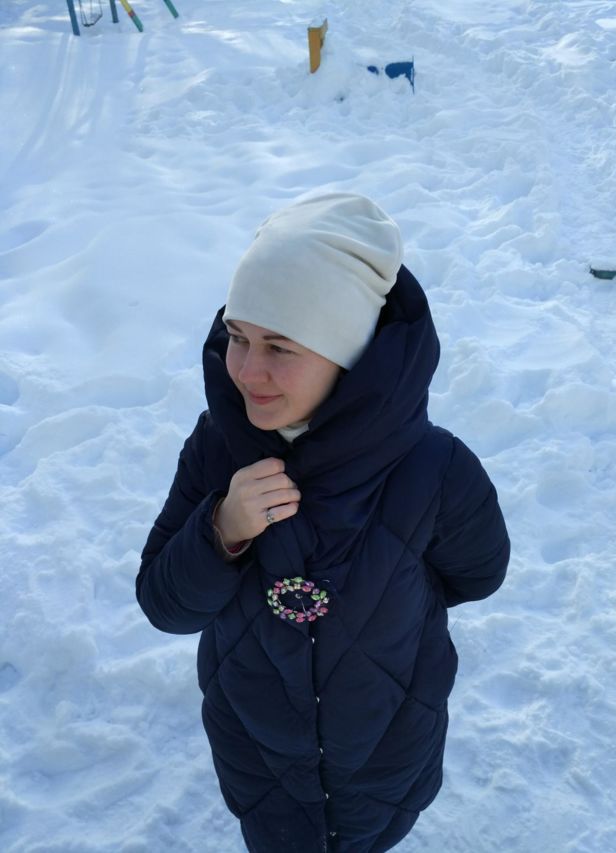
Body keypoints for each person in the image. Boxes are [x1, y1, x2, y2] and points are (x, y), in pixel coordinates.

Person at [136, 193, 510, 853]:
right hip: (257, 753)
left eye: (280, 346)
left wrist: (388, 585)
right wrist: (221, 530)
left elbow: (475, 572)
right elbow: (165, 605)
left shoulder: (433, 468)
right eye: (238, 336)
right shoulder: (218, 449)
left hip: (387, 746)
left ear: (349, 353)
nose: (247, 370)